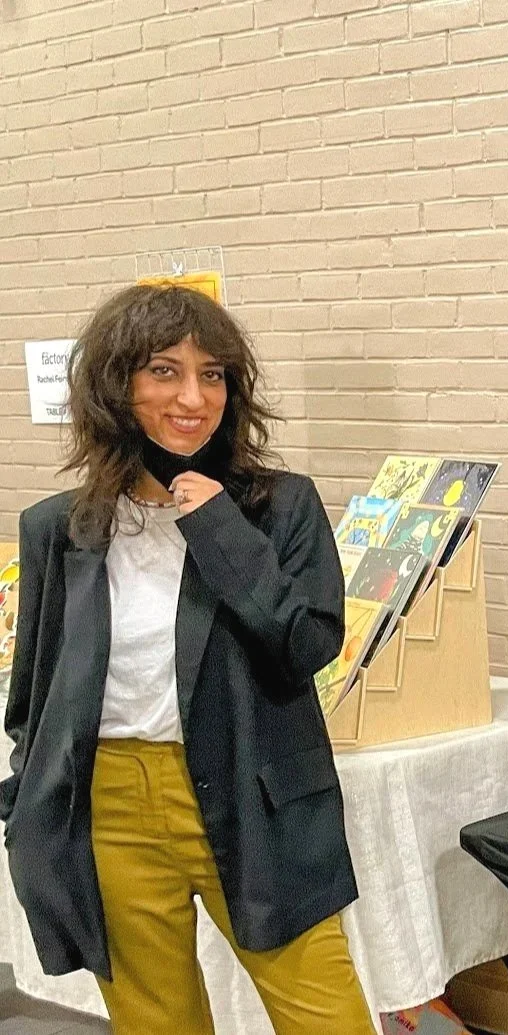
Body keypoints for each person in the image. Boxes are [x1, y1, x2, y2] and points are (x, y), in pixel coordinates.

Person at [1, 285, 373, 1032]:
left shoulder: (280, 507)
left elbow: (307, 645)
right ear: (116, 386)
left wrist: (221, 530)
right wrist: (28, 801)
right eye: (164, 371)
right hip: (110, 804)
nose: (193, 398)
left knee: (324, 1016)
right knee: (156, 1021)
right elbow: (35, 694)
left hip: (253, 791)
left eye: (213, 374)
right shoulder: (59, 529)